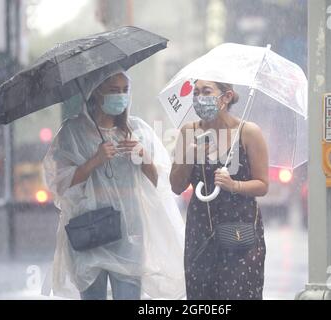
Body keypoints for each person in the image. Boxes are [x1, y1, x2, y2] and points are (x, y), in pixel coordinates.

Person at [43, 71, 185, 300]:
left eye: (124, 90)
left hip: (129, 232)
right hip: (89, 229)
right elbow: (59, 182)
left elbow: (160, 181)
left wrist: (143, 156)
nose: (120, 96)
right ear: (96, 93)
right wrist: (94, 161)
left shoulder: (138, 130)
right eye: (113, 90)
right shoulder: (73, 132)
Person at [170, 80, 269, 300]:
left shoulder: (248, 132)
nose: (199, 98)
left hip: (239, 229)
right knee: (202, 296)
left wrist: (234, 185)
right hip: (201, 230)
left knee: (239, 294)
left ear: (226, 97)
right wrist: (189, 157)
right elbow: (176, 186)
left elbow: (263, 185)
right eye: (195, 93)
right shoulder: (189, 132)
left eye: (206, 92)